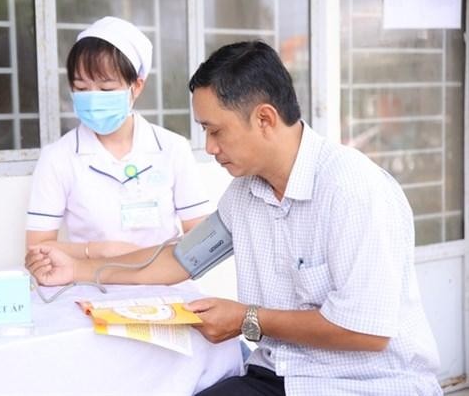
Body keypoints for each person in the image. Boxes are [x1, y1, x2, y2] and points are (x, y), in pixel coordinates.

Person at [25, 41, 442, 396]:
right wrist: (77, 268)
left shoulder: (352, 190)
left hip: (366, 383)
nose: (208, 147)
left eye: (215, 130)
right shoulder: (245, 195)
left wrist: (246, 318)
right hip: (279, 375)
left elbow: (367, 332)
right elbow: (177, 261)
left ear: (264, 118)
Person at [25, 16, 211, 259]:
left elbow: (202, 237)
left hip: (163, 287)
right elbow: (36, 249)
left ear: (137, 86)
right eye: (81, 88)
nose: (92, 97)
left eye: (106, 89)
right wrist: (99, 250)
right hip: (89, 286)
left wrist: (157, 259)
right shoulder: (57, 157)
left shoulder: (173, 149)